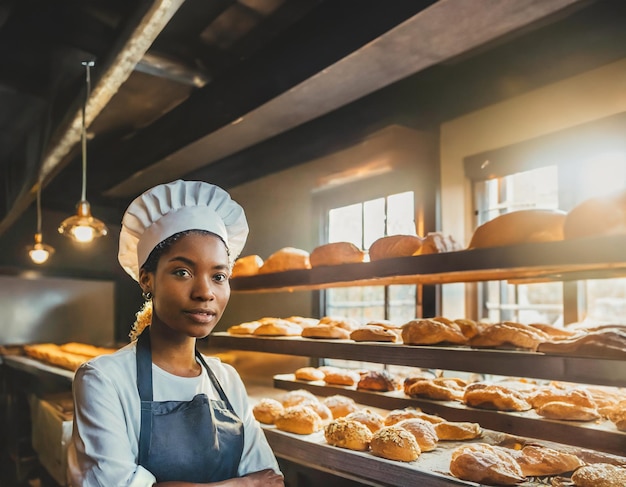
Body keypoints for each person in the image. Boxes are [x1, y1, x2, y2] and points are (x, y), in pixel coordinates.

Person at [67, 180, 284, 486]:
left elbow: (271, 480)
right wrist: (242, 484)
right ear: (147, 280)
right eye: (183, 272)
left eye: (219, 276)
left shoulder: (227, 380)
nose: (205, 292)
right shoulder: (103, 379)